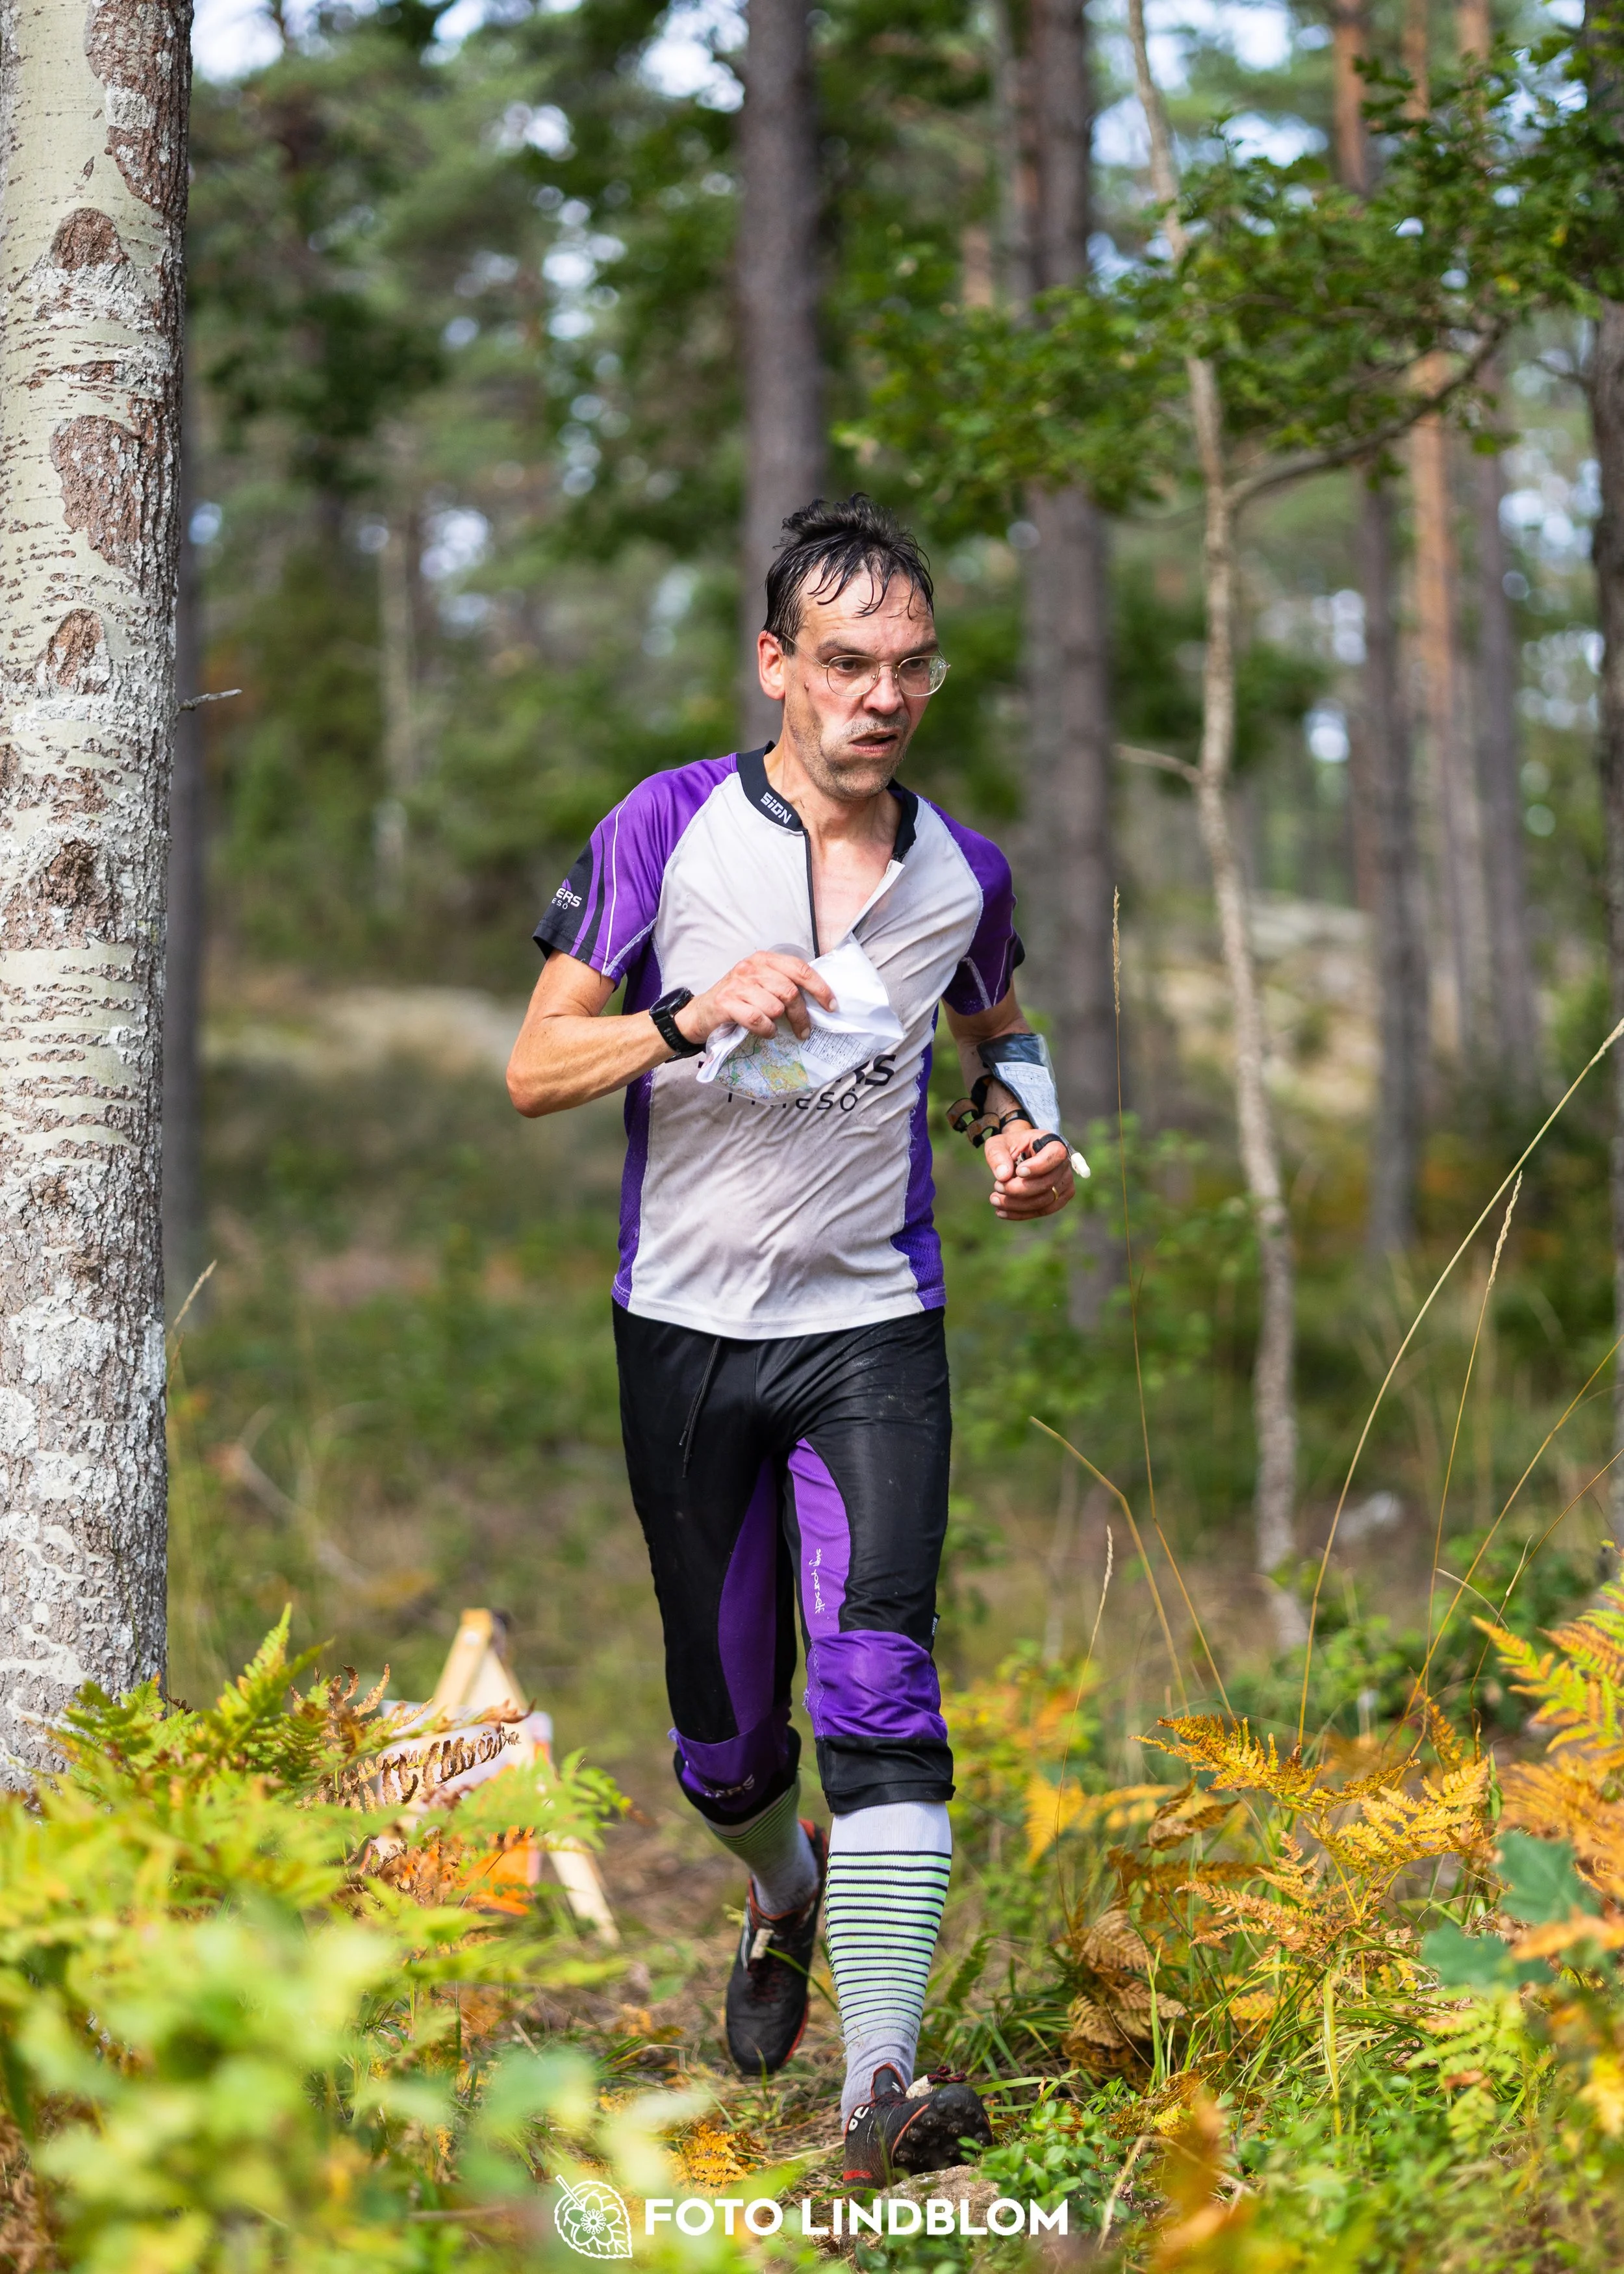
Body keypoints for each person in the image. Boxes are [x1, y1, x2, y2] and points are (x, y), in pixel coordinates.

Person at [507, 494, 1077, 2182]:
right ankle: (781, 1890)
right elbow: (534, 1068)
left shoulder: (961, 869)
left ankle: (878, 2086)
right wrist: (689, 1015)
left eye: (910, 665)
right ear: (776, 663)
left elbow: (997, 1026)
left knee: (883, 1687)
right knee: (727, 1745)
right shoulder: (666, 826)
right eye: (845, 662)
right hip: (685, 1333)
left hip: (871, 1324)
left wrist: (1024, 1136)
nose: (881, 696)